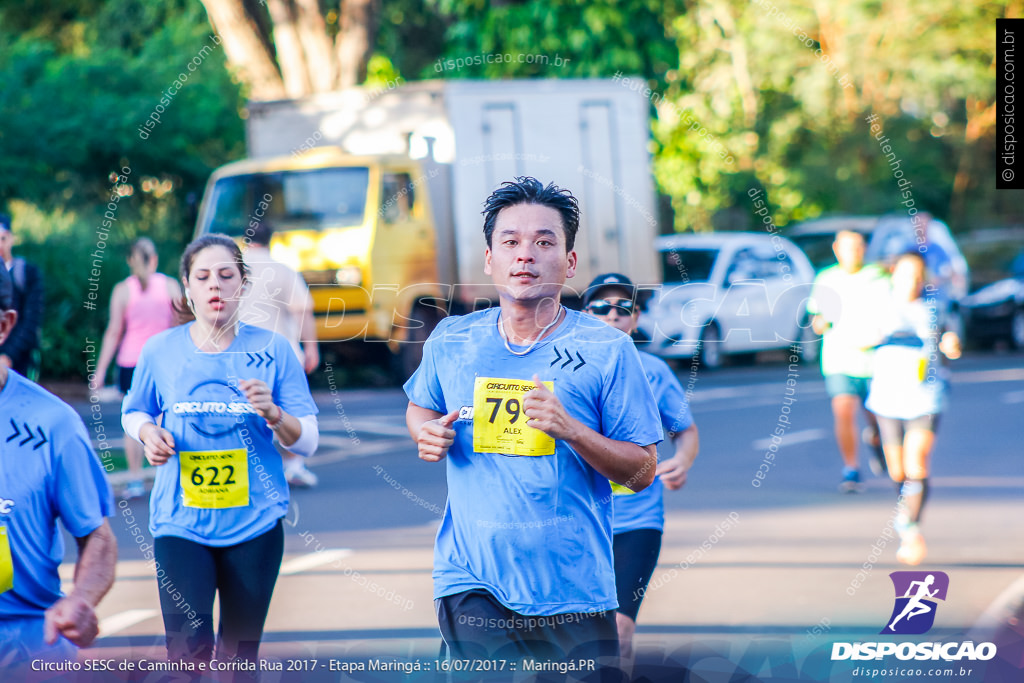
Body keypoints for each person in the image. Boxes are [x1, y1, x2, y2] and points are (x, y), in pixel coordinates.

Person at [404, 177, 662, 669]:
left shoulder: (606, 349)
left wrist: (572, 430)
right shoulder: (452, 340)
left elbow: (641, 472)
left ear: (568, 263)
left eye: (544, 242)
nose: (525, 254)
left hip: (574, 590)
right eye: (511, 241)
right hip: (471, 582)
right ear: (489, 259)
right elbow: (420, 406)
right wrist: (426, 431)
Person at [121, 234, 319, 665]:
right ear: (187, 288)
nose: (215, 286)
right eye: (203, 277)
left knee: (238, 660)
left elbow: (308, 439)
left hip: (255, 523)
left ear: (243, 286)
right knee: (187, 655)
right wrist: (147, 433)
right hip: (181, 523)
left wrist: (274, 414)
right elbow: (133, 410)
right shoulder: (161, 351)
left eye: (226, 275)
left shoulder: (275, 350)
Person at [0, 263, 117, 668]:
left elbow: (98, 539)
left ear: (5, 325)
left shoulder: (53, 423)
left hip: (28, 638)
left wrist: (81, 600)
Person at [581, 273, 700, 667]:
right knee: (575, 638)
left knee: (619, 633)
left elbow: (685, 430)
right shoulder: (562, 368)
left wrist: (681, 461)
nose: (612, 316)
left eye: (623, 309)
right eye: (601, 308)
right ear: (583, 314)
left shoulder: (652, 370)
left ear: (635, 319)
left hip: (637, 520)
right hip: (575, 521)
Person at [865, 252, 960, 566]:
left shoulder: (935, 308)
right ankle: (902, 505)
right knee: (897, 470)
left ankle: (911, 529)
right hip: (887, 397)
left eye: (917, 276)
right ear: (894, 275)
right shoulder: (879, 305)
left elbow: (950, 338)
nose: (911, 282)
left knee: (916, 462)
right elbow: (858, 335)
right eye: (905, 274)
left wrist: (951, 345)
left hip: (926, 396)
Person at [91, 237, 180, 499]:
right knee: (164, 419)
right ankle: (167, 476)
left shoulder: (123, 290)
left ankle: (134, 480)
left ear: (131, 260)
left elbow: (113, 333)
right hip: (165, 360)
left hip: (131, 363)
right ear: (154, 259)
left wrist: (99, 371)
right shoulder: (171, 286)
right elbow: (180, 327)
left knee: (135, 419)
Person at [238, 222, 321, 488]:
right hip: (281, 353)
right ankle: (294, 466)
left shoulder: (233, 272)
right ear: (271, 240)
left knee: (243, 411)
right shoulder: (284, 270)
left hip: (240, 353)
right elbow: (302, 311)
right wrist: (311, 348)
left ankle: (251, 467)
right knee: (287, 411)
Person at [807, 230, 890, 492]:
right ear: (836, 249)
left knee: (877, 416)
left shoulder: (878, 275)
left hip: (875, 360)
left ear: (864, 248)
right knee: (843, 410)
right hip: (840, 359)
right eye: (847, 247)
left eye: (857, 246)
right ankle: (851, 469)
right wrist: (821, 323)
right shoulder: (826, 278)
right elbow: (816, 318)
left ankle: (876, 440)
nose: (853, 252)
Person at [0, 214, 44, 379]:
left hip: (20, 362)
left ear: (12, 239)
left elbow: (31, 320)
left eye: (3, 238)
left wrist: (8, 356)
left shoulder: (27, 273)